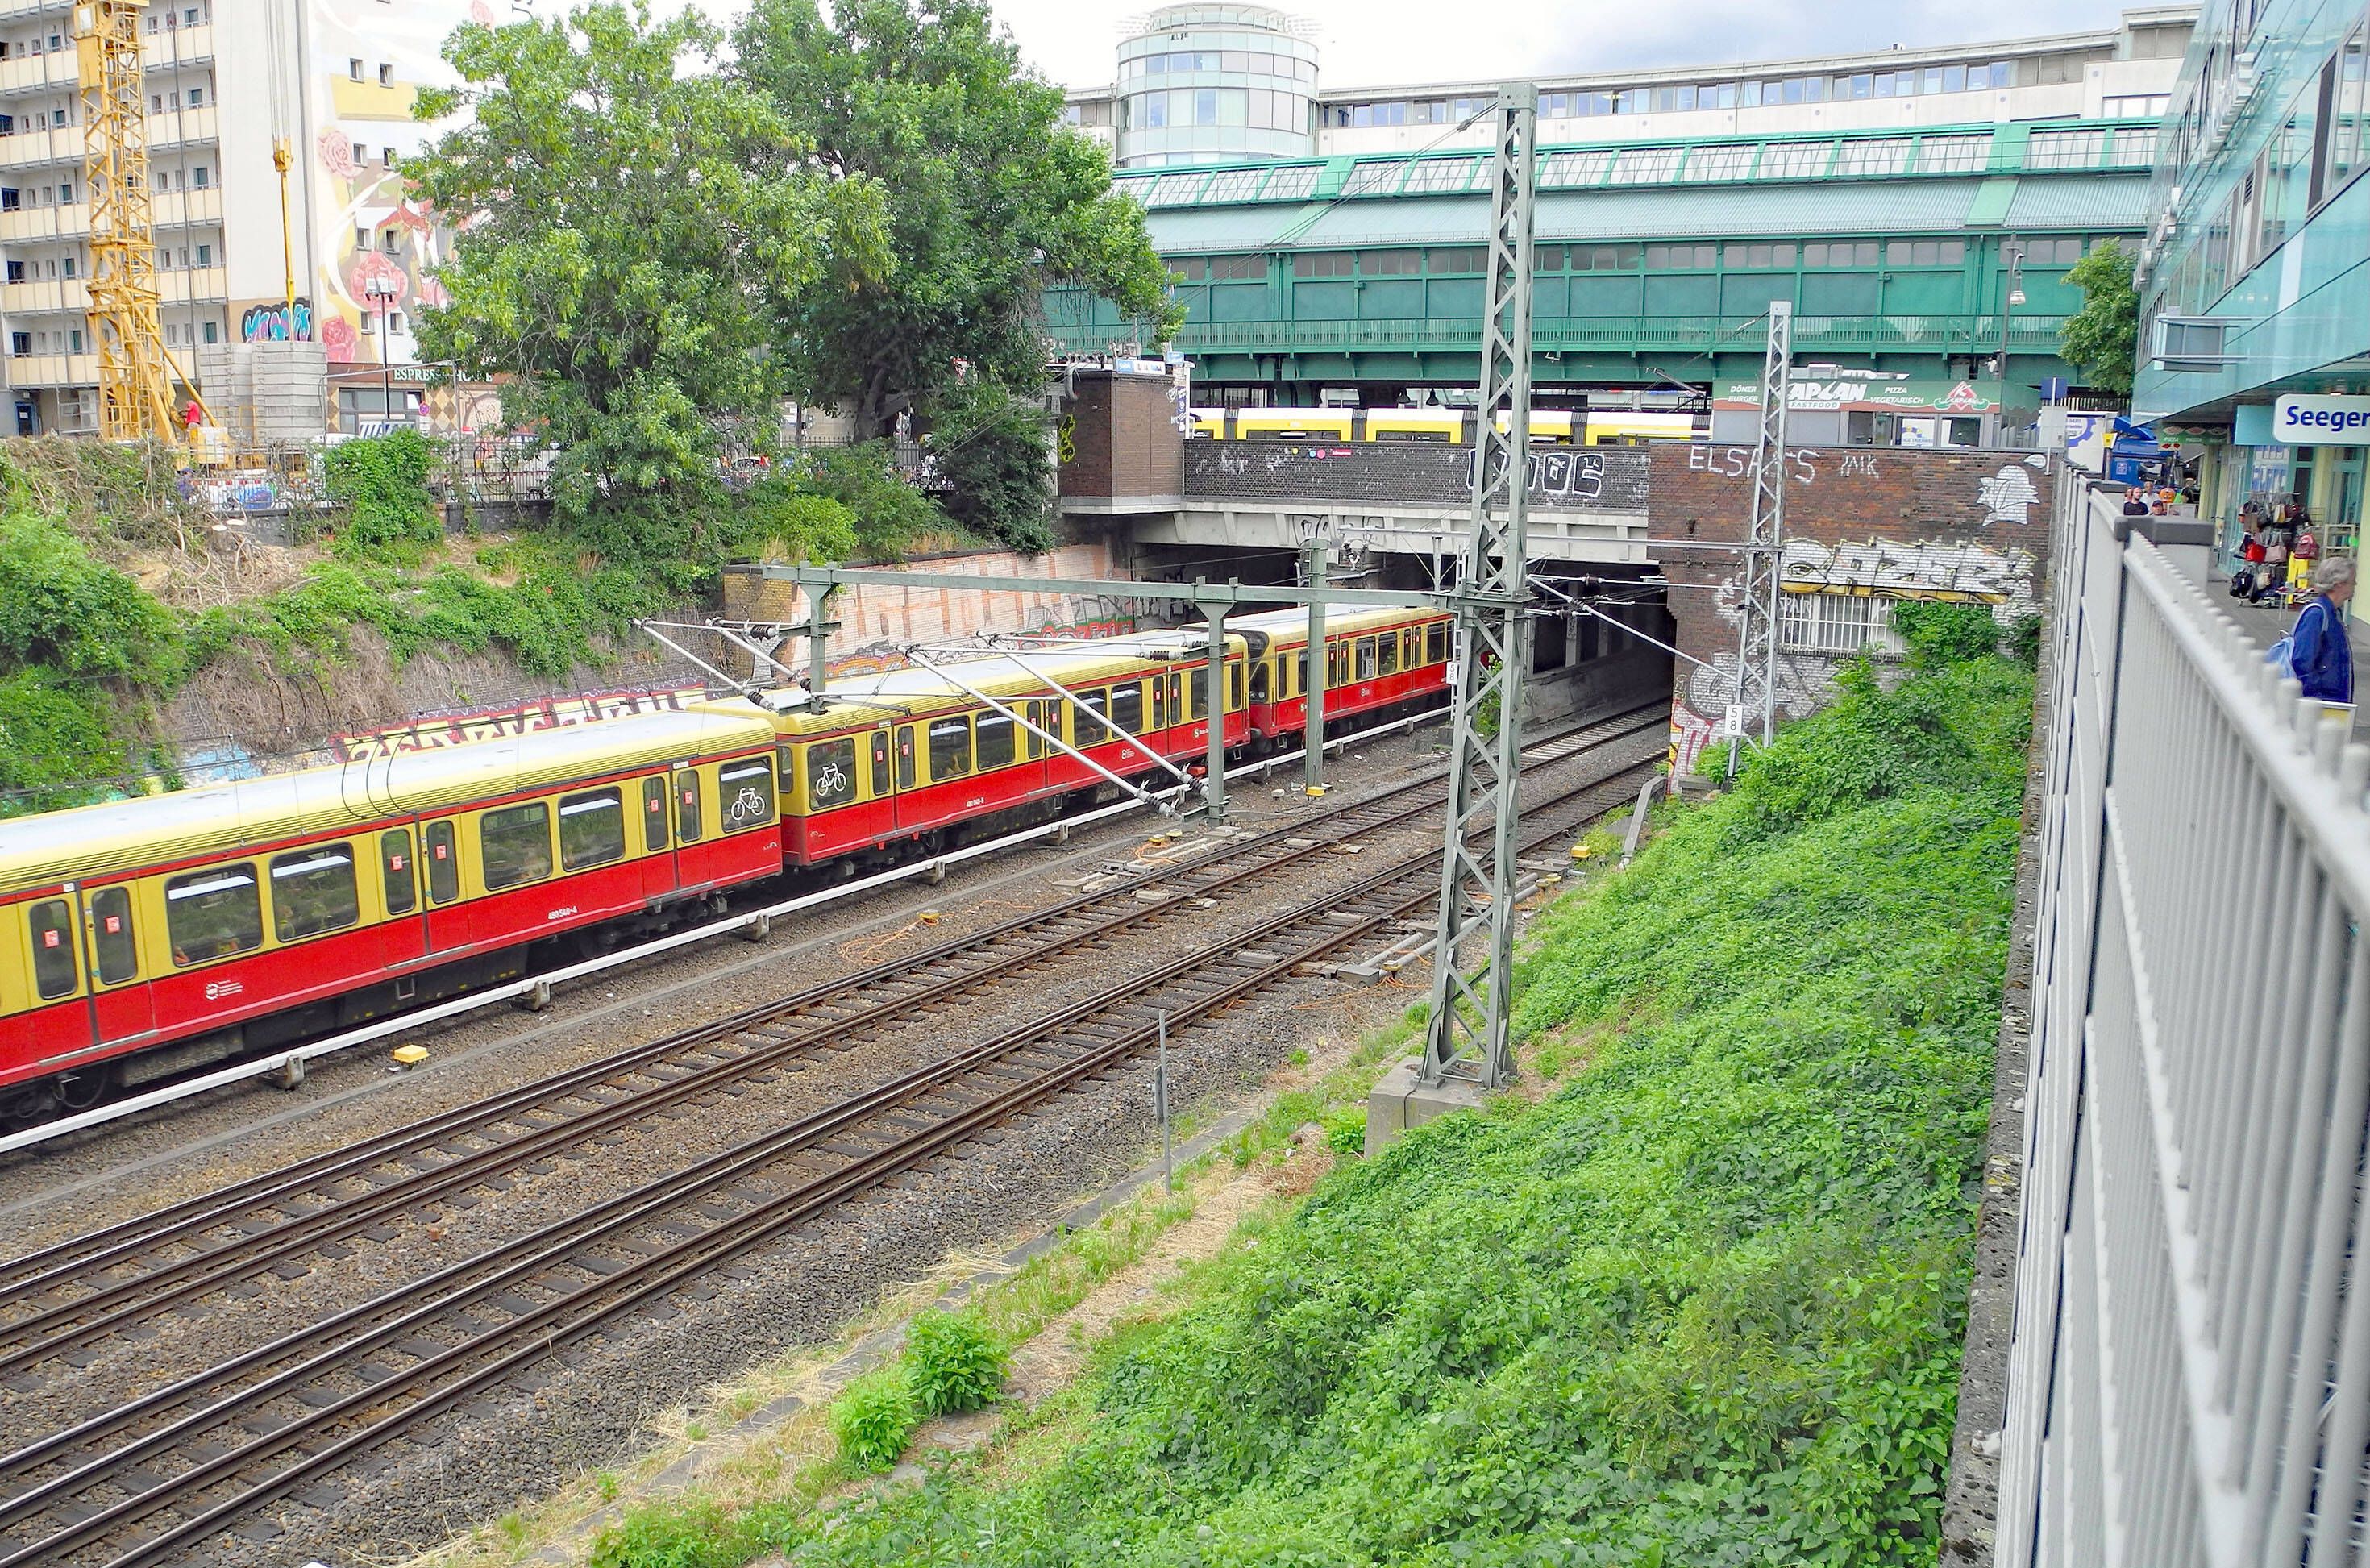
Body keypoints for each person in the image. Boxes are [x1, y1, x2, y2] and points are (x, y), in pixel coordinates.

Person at [2289, 556, 2355, 704]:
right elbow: (2302, 661)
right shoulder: (2318, 613)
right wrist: (2317, 694)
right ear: (2339, 584)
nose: (2355, 584)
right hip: (2321, 701)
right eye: (2352, 581)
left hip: (2331, 698)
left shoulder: (2332, 612)